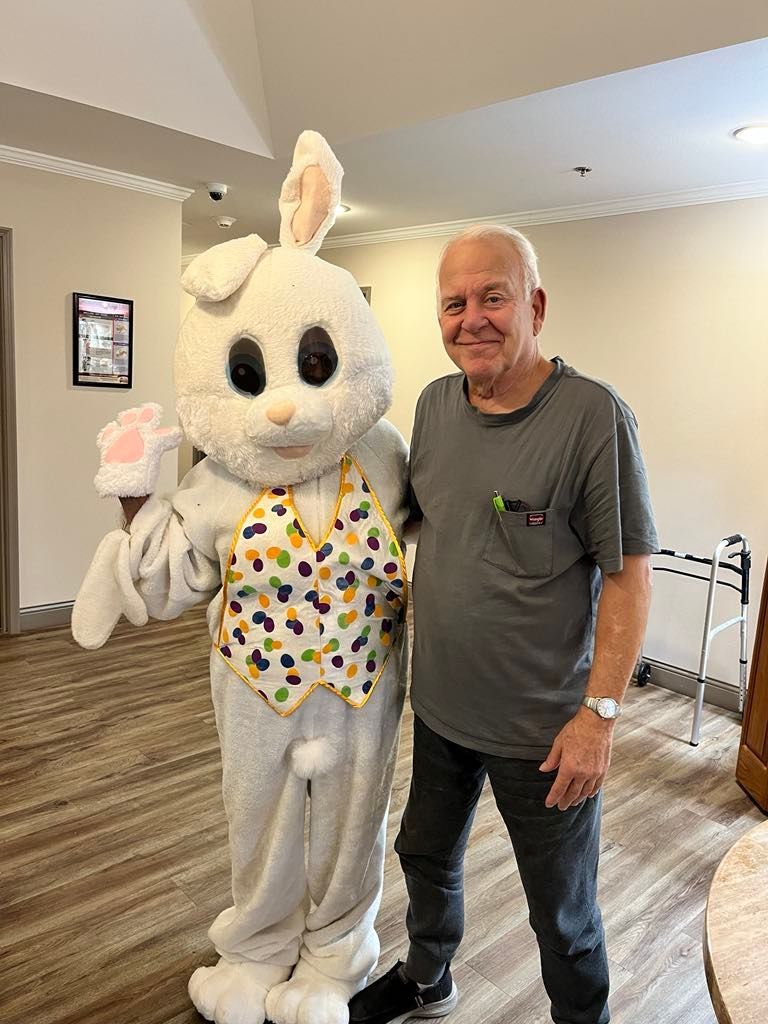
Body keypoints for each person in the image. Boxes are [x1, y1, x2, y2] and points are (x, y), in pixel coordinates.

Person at [348, 225, 658, 1024]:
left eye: (494, 297)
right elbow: (419, 522)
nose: (472, 319)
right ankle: (428, 977)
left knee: (563, 914)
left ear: (535, 306)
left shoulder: (592, 417)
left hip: (544, 734)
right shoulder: (434, 405)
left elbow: (628, 578)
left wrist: (599, 717)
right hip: (440, 709)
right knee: (424, 854)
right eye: (454, 304)